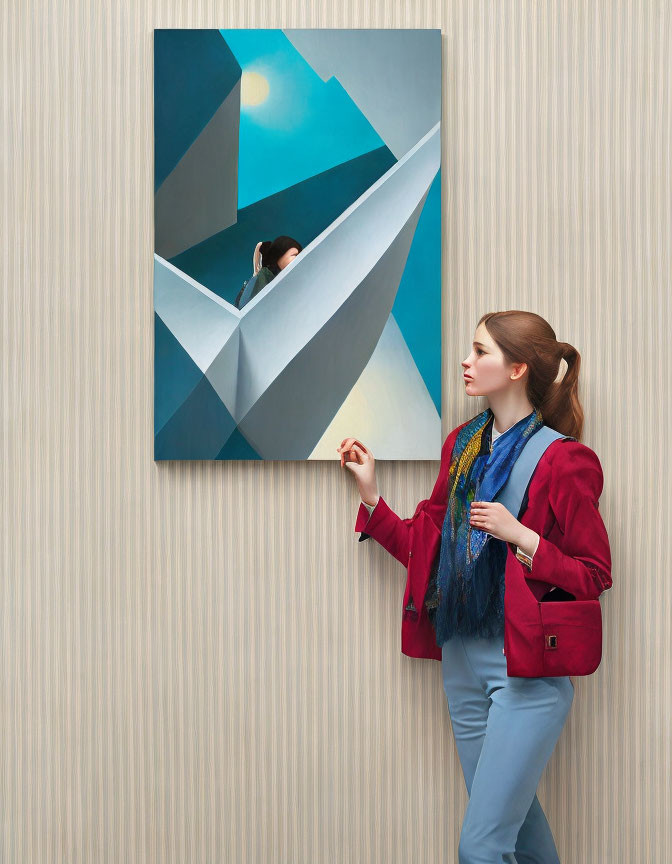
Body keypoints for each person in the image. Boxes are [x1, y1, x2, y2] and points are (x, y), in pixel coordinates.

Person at [336, 310, 612, 863]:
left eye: (480, 351)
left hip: (525, 672)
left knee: (480, 847)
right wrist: (372, 498)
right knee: (518, 838)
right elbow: (428, 547)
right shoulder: (462, 445)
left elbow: (594, 573)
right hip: (461, 659)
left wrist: (522, 537)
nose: (466, 361)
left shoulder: (564, 460)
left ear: (516, 369)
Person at [234, 235, 303, 310]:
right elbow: (244, 306)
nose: (297, 259)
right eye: (294, 255)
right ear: (280, 254)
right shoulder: (264, 275)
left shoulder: (280, 276)